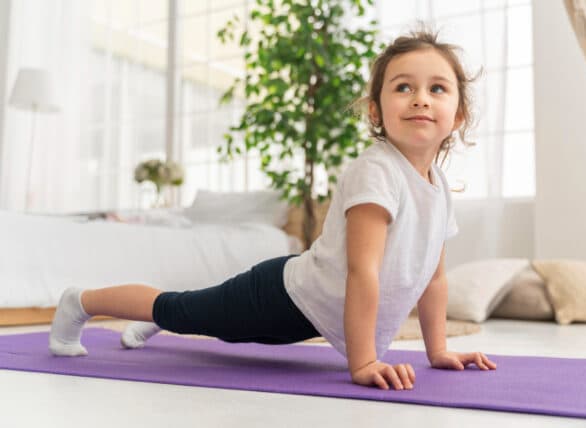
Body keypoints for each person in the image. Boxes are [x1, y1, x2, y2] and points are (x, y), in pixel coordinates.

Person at [49, 29, 497, 391]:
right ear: (376, 112)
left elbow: (433, 278)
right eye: (404, 87)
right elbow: (364, 272)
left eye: (438, 88)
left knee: (195, 311)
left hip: (311, 304)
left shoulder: (438, 189)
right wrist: (363, 362)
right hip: (285, 296)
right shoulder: (377, 172)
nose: (421, 98)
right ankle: (80, 302)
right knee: (181, 309)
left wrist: (437, 352)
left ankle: (163, 322)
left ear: (457, 114)